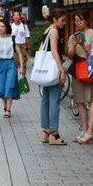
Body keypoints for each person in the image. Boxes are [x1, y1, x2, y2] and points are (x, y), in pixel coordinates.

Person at [66, 11, 93, 144]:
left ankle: (90, 131)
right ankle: (84, 128)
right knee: (79, 100)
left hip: (90, 69)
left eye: (80, 21)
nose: (78, 23)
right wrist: (74, 45)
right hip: (78, 69)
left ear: (86, 21)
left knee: (92, 99)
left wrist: (85, 47)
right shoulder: (73, 36)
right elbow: (70, 56)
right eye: (76, 21)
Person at [39, 9, 68, 145]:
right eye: (62, 20)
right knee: (54, 101)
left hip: (46, 70)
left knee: (46, 100)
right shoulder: (55, 31)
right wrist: (61, 70)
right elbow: (55, 52)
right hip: (53, 68)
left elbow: (41, 49)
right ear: (55, 19)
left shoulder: (47, 30)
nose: (64, 23)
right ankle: (54, 134)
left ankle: (45, 132)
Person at [0, 19, 24, 118]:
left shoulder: (12, 39)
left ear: (6, 28)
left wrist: (21, 66)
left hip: (11, 65)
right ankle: (5, 105)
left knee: (9, 86)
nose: (0, 28)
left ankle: (8, 109)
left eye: (2, 26)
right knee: (0, 89)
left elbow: (19, 53)